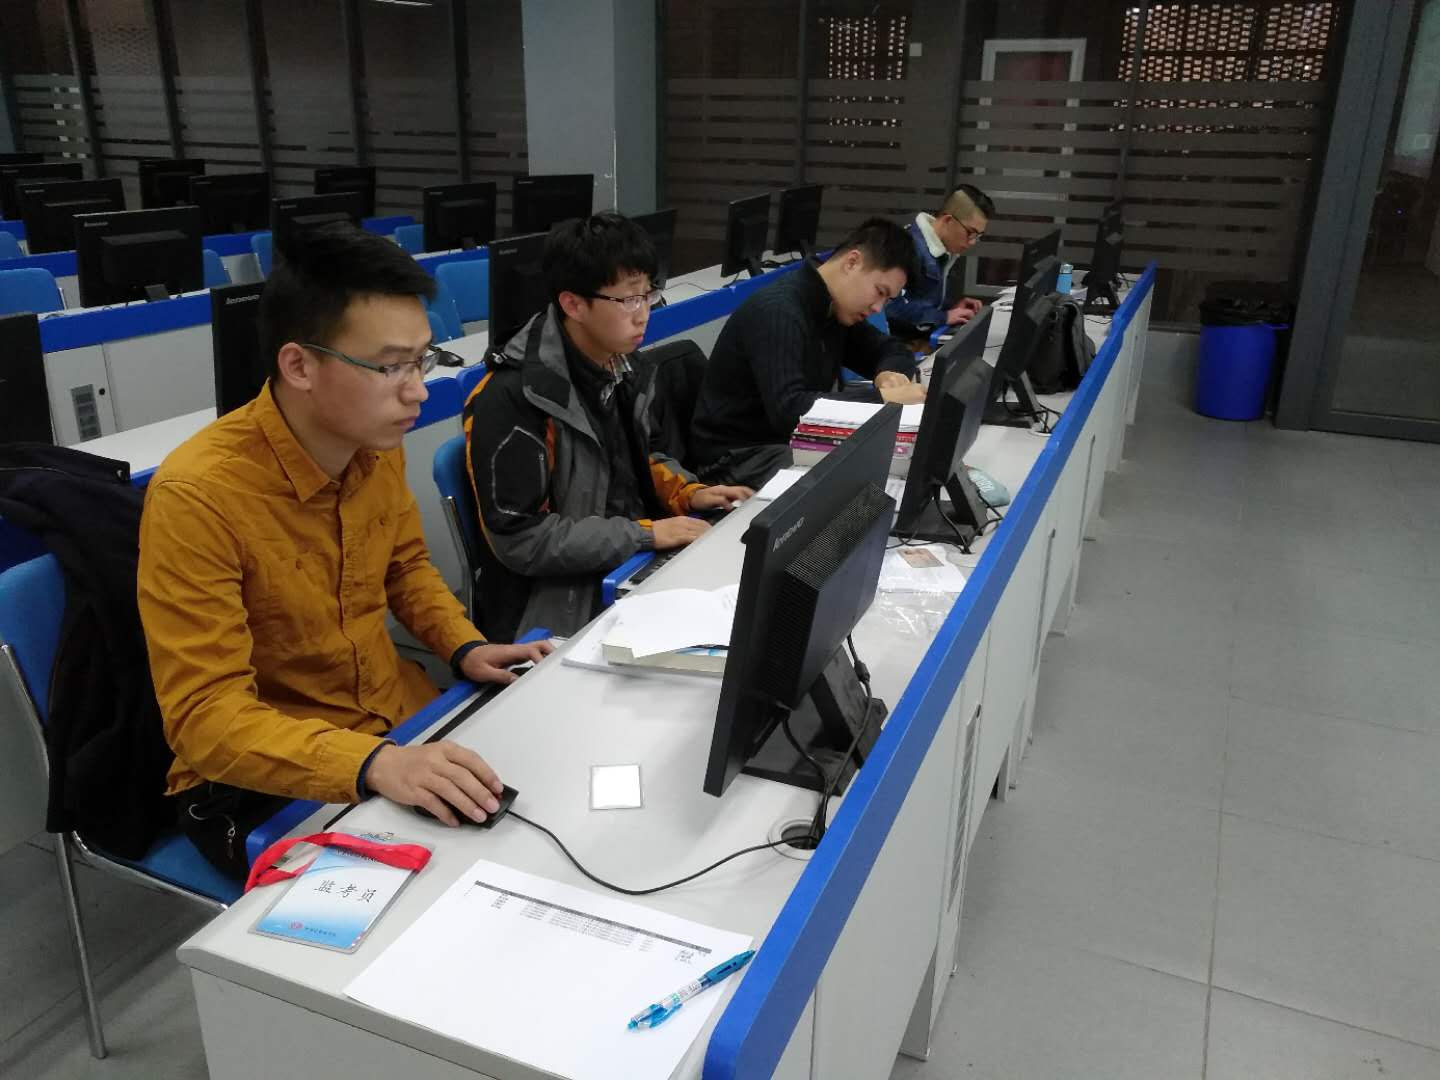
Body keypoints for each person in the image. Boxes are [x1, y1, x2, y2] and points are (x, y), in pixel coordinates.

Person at [137, 223, 549, 878]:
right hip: (262, 777)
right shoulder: (198, 497)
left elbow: (405, 569)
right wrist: (374, 763)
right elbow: (205, 721)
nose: (417, 390)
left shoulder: (372, 442)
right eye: (390, 367)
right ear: (299, 365)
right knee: (441, 895)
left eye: (422, 360)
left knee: (536, 822)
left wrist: (464, 647)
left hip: (393, 720)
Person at [463, 212, 751, 640]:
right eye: (628, 299)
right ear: (573, 305)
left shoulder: (620, 365)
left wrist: (689, 493)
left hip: (627, 557)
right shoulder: (512, 400)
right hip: (558, 598)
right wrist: (644, 535)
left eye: (648, 294)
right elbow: (522, 540)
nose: (643, 314)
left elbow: (642, 455)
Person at [688, 216, 925, 488]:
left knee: (879, 465)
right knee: (852, 480)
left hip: (784, 445)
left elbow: (892, 349)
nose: (877, 308)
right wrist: (881, 398)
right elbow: (789, 411)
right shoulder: (779, 311)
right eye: (879, 292)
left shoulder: (833, 308)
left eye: (887, 299)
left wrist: (889, 374)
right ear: (852, 262)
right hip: (736, 459)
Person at [886, 184, 994, 334]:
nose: (972, 242)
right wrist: (943, 317)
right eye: (970, 233)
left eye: (978, 236)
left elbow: (921, 301)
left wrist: (951, 309)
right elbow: (888, 308)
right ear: (948, 220)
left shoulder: (942, 250)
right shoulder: (907, 246)